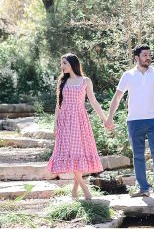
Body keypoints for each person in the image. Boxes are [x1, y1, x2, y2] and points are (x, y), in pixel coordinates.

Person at [106, 44, 154, 199]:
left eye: (149, 54)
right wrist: (109, 117)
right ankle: (143, 188)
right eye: (145, 55)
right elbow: (118, 97)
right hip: (134, 121)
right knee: (138, 156)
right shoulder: (128, 75)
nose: (148, 57)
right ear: (136, 57)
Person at [47, 54, 109, 201]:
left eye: (64, 63)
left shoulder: (85, 81)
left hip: (79, 120)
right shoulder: (63, 81)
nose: (62, 66)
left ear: (72, 64)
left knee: (78, 152)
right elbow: (58, 104)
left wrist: (105, 119)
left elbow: (93, 102)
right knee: (70, 152)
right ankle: (83, 187)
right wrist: (55, 123)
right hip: (65, 120)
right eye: (61, 63)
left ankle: (75, 188)